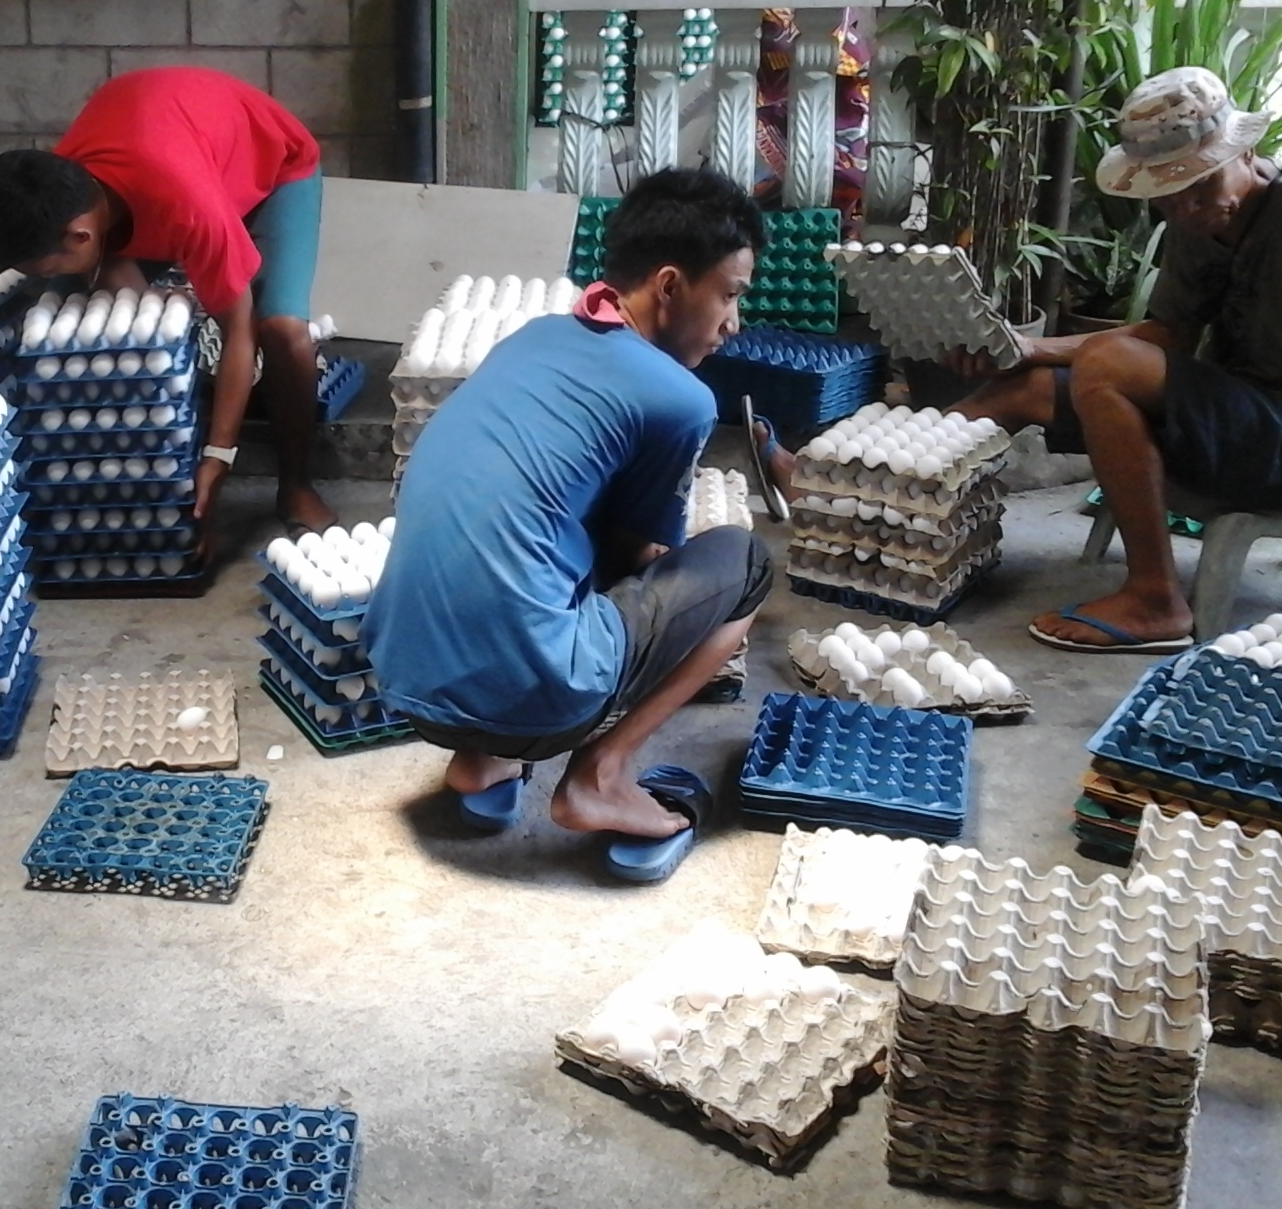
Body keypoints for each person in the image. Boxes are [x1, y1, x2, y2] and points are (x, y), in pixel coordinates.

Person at [760, 66, 1281, 652]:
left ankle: (1157, 597)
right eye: (1169, 193)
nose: (1186, 206)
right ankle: (841, 491)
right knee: (1022, 387)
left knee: (1107, 364)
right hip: (1234, 407)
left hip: (1273, 438)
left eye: (1201, 185)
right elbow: (1171, 333)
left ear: (1247, 150)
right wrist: (1026, 348)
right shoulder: (1197, 220)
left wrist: (1066, 351)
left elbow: (1140, 354)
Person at [361, 168, 774, 884]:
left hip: (399, 679)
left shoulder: (533, 338)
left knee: (534, 542)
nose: (733, 323)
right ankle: (599, 776)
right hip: (543, 698)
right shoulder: (679, 396)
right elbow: (637, 550)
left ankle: (481, 760)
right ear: (671, 286)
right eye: (730, 295)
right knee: (743, 563)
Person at [0, 66, 336, 542]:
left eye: (42, 267)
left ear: (80, 235)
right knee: (98, 312)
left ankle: (296, 484)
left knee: (280, 328)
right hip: (177, 146)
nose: (42, 278)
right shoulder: (61, 185)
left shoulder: (186, 207)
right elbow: (105, 275)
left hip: (274, 161)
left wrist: (219, 455)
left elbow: (238, 326)